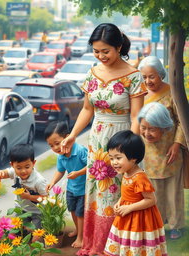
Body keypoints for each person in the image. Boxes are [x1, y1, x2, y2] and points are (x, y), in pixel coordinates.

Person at [61, 23, 147, 255]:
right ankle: (97, 243)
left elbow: (136, 115)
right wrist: (72, 135)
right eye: (96, 51)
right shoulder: (93, 73)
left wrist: (133, 151)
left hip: (122, 140)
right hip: (97, 141)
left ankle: (120, 247)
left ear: (118, 47)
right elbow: (87, 110)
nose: (101, 56)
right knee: (98, 192)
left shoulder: (133, 76)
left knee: (119, 194)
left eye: (105, 51)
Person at [138, 56, 187, 239]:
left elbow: (182, 122)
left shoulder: (173, 92)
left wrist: (177, 144)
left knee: (173, 189)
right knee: (154, 189)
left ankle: (176, 225)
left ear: (161, 74)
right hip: (149, 151)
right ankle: (157, 223)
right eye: (144, 77)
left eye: (152, 76)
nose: (148, 81)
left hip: (171, 149)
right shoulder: (141, 94)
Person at [104, 130, 168, 256]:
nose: (114, 162)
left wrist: (129, 207)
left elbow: (151, 200)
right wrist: (119, 202)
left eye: (118, 158)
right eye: (111, 158)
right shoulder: (126, 172)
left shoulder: (139, 177)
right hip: (127, 215)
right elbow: (128, 193)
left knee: (137, 243)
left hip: (140, 218)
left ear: (133, 158)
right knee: (127, 242)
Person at [45, 121, 87, 248]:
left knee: (80, 214)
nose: (55, 148)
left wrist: (78, 173)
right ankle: (78, 230)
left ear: (68, 137)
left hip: (83, 189)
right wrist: (52, 182)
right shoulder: (61, 156)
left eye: (57, 143)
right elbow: (60, 171)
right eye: (51, 146)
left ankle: (82, 237)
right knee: (73, 211)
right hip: (71, 189)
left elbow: (91, 166)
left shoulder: (80, 151)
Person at [0, 144, 48, 241]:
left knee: (36, 240)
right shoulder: (14, 172)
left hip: (38, 212)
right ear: (12, 165)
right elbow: (5, 173)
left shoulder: (39, 180)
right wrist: (0, 173)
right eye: (19, 168)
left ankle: (38, 233)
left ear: (33, 163)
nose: (23, 171)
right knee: (13, 235)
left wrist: (30, 197)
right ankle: (23, 232)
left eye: (27, 167)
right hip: (21, 209)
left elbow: (45, 198)